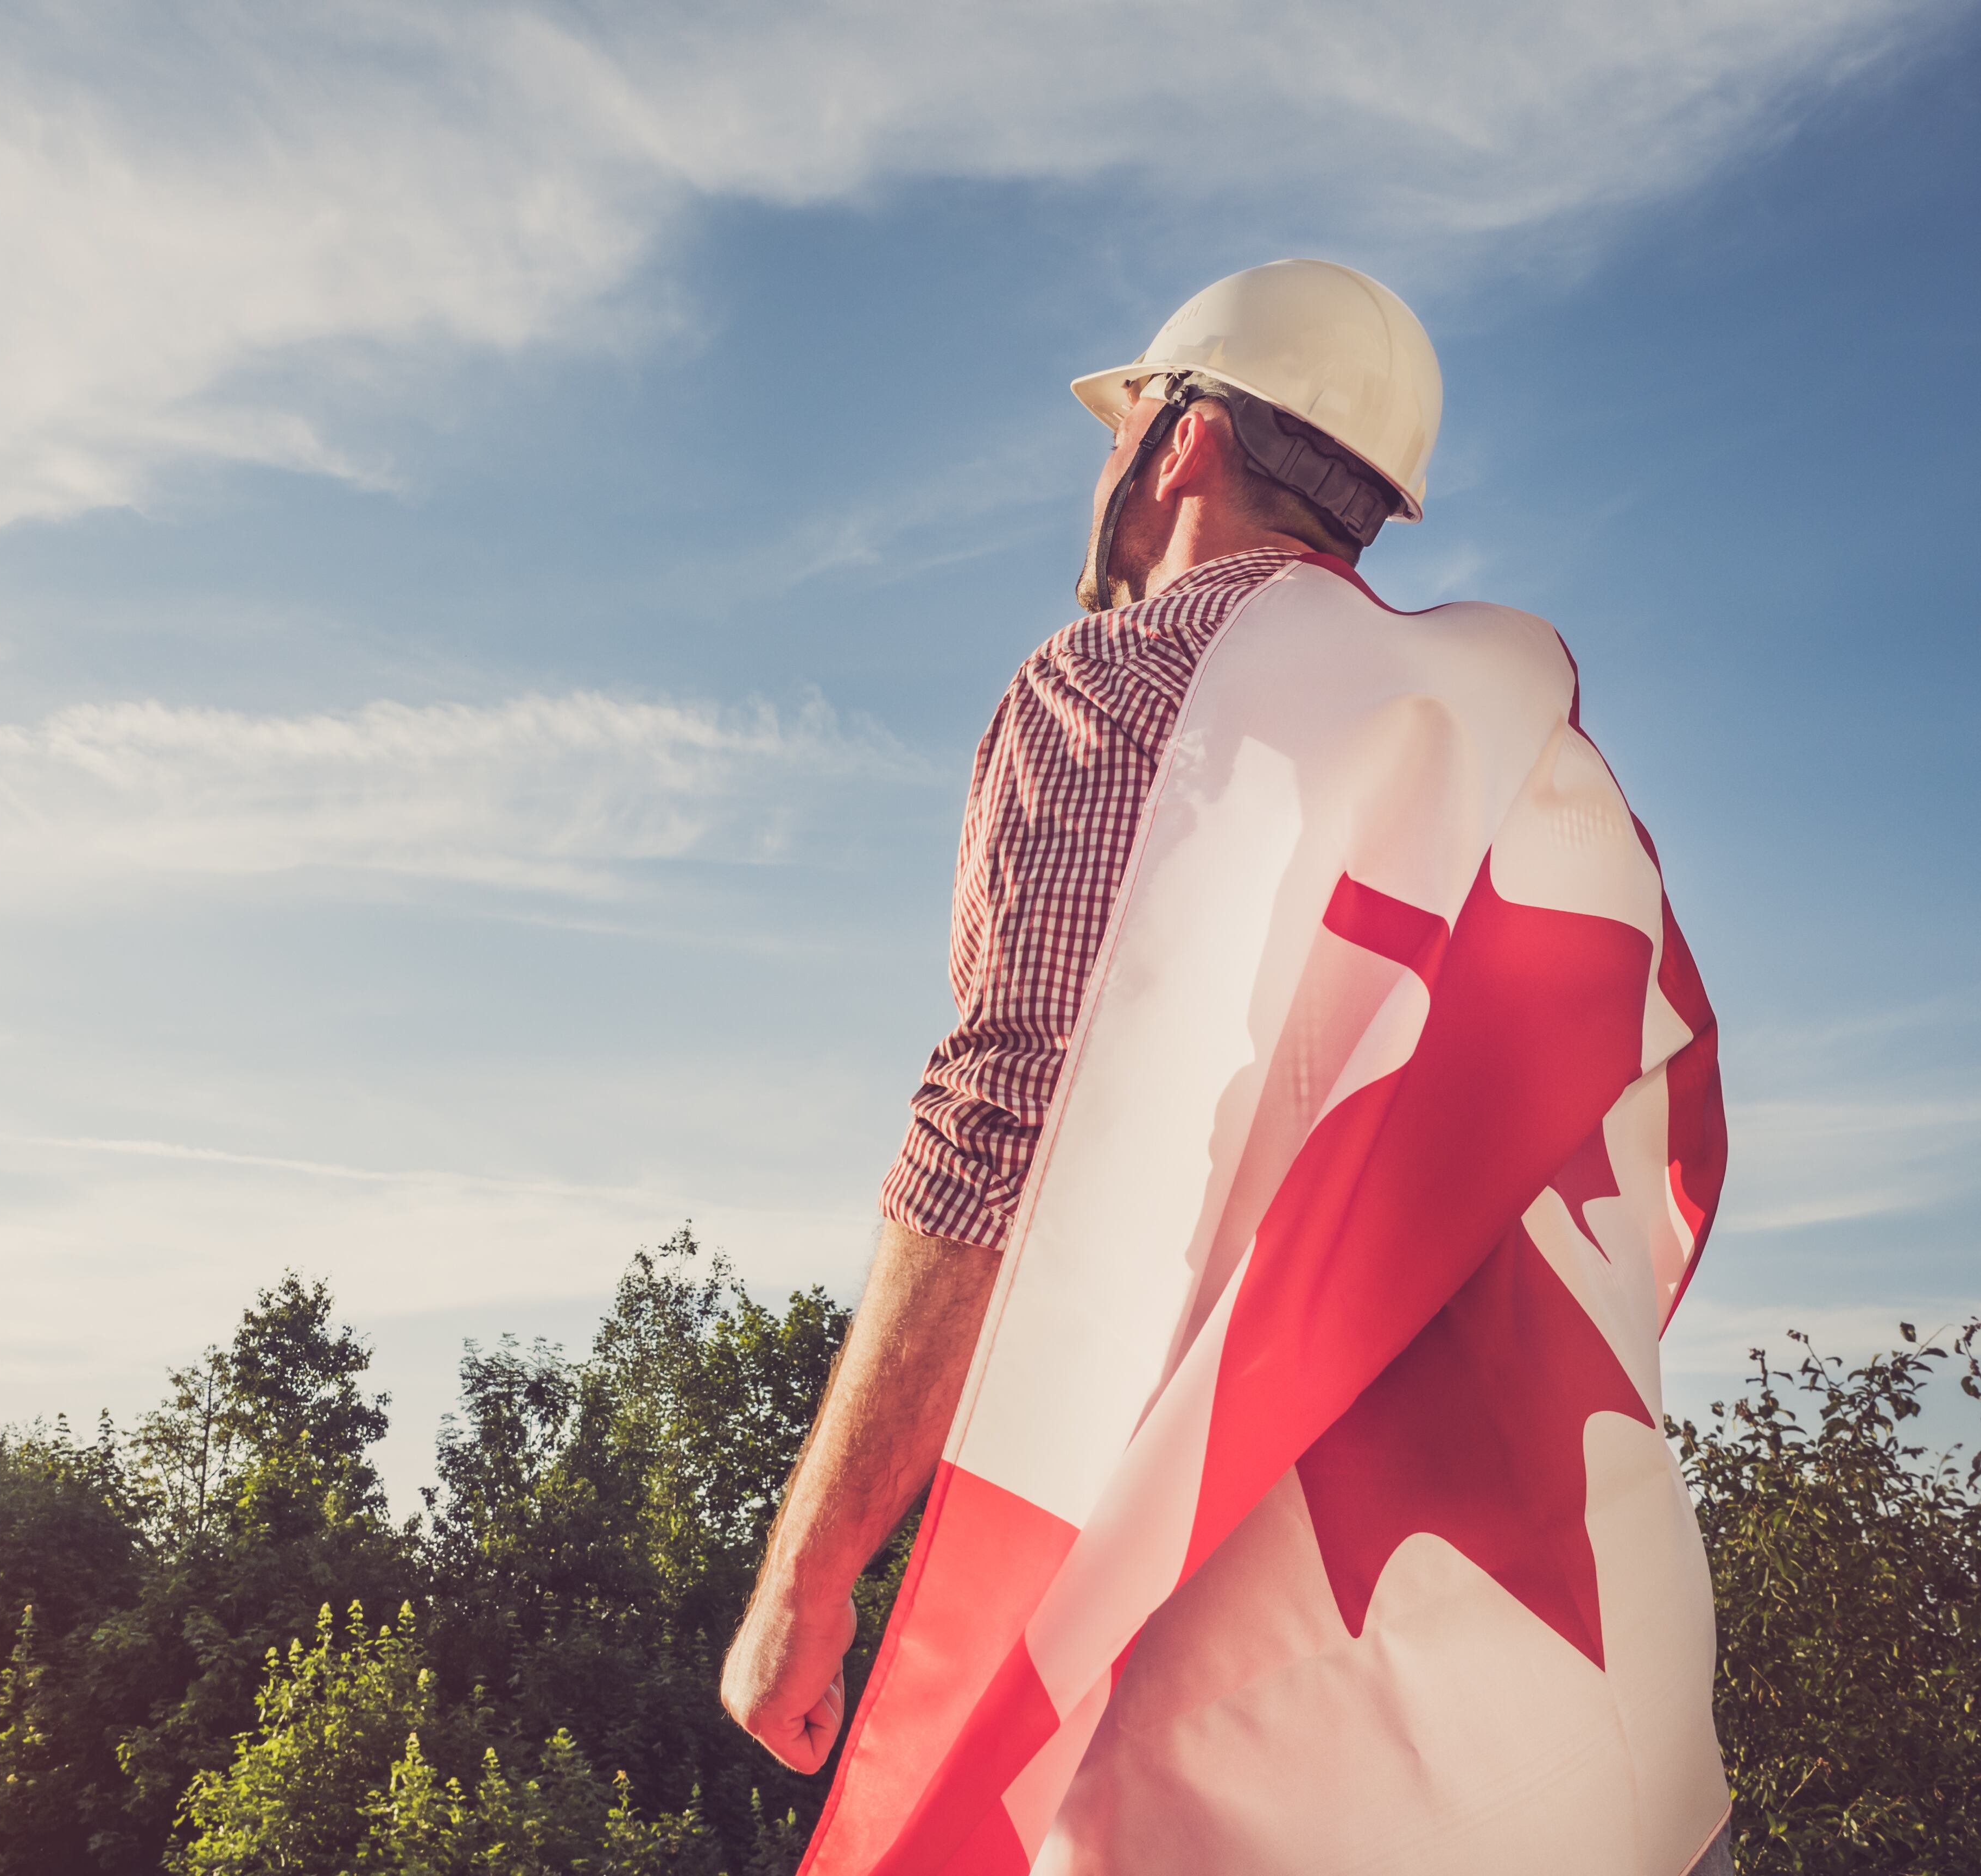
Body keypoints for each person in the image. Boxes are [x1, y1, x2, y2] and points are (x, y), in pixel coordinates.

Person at [722, 261, 1734, 1876]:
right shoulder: (1540, 769)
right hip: (1597, 1691)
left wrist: (813, 1570)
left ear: (1179, 441)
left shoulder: (1119, 695)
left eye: (1123, 425)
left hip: (1276, 1726)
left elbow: (1002, 1129)